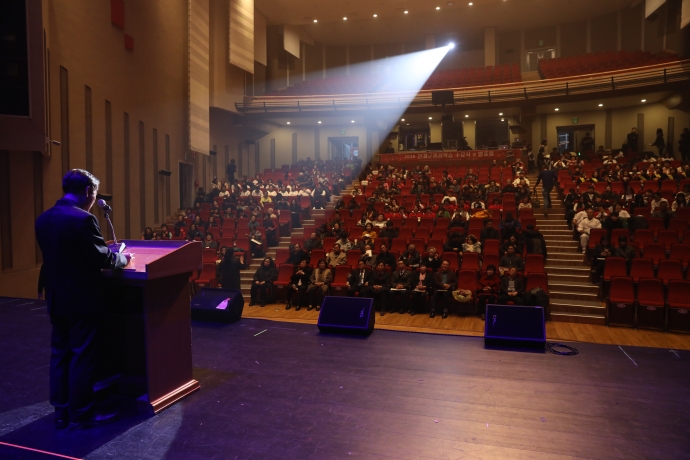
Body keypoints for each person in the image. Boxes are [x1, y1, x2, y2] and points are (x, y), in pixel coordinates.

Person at [35, 169, 131, 429]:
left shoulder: (43, 218)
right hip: (81, 299)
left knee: (60, 354)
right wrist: (123, 258)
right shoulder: (83, 219)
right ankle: (82, 413)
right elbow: (102, 258)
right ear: (88, 191)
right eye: (94, 194)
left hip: (56, 298)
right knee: (82, 355)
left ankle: (61, 411)